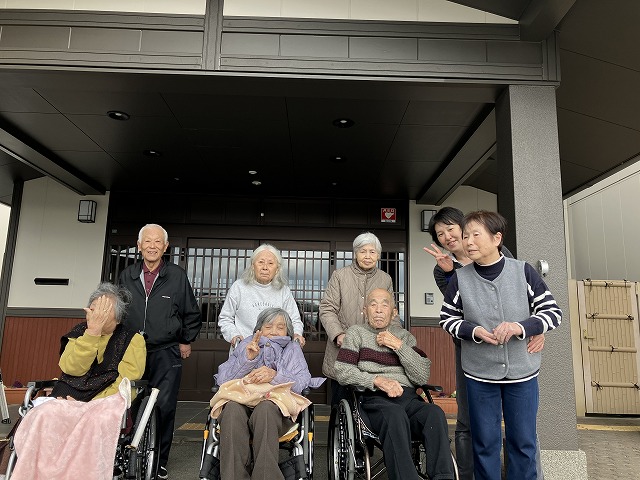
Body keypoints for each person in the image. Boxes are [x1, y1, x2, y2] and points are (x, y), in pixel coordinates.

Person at [423, 206, 545, 480]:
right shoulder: (444, 270)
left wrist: (536, 327)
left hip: (516, 357)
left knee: (522, 431)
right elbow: (455, 310)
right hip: (472, 353)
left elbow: (525, 296)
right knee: (471, 423)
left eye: (452, 229)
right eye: (440, 234)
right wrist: (452, 272)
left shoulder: (510, 260)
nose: (449, 237)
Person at [335, 288, 455, 480]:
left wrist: (398, 346)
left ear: (394, 312)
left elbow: (422, 376)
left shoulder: (404, 337)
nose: (378, 310)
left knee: (434, 413)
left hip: (408, 399)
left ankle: (443, 477)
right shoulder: (356, 333)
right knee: (394, 414)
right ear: (365, 311)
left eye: (384, 305)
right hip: (374, 400)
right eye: (373, 305)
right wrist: (376, 380)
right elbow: (342, 371)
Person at [118, 223, 202, 480]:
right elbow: (118, 311)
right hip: (132, 351)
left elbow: (191, 312)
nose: (152, 246)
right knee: (128, 403)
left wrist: (185, 340)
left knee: (164, 406)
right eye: (147, 241)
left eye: (158, 242)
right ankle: (126, 457)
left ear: (165, 247)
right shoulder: (127, 275)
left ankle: (158, 461)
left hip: (165, 351)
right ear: (139, 246)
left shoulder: (176, 275)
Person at [213, 308, 324, 480]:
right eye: (268, 326)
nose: (273, 331)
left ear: (288, 331)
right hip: (242, 401)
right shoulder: (246, 344)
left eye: (280, 327)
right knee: (232, 410)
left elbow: (302, 381)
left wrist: (275, 375)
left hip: (275, 409)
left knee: (265, 410)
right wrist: (247, 360)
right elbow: (223, 380)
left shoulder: (292, 349)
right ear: (259, 329)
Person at [320, 232, 396, 405]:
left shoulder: (385, 279)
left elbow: (390, 312)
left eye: (372, 252)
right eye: (363, 251)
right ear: (355, 253)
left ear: (378, 255)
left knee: (371, 403)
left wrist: (394, 338)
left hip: (374, 349)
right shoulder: (340, 275)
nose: (367, 256)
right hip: (343, 348)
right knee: (341, 402)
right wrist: (338, 334)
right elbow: (327, 309)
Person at [50, 282, 146, 401]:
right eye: (93, 309)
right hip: (66, 396)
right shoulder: (79, 331)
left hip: (104, 403)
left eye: (104, 310)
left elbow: (124, 385)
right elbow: (73, 369)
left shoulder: (132, 339)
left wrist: (90, 405)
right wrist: (92, 333)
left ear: (118, 318)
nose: (97, 314)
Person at [218, 244, 305, 346]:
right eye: (261, 262)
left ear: (277, 269)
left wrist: (297, 334)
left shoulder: (284, 291)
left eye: (270, 263)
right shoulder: (239, 287)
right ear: (252, 266)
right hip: (244, 348)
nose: (265, 268)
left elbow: (294, 320)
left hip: (276, 350)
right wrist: (234, 335)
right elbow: (225, 318)